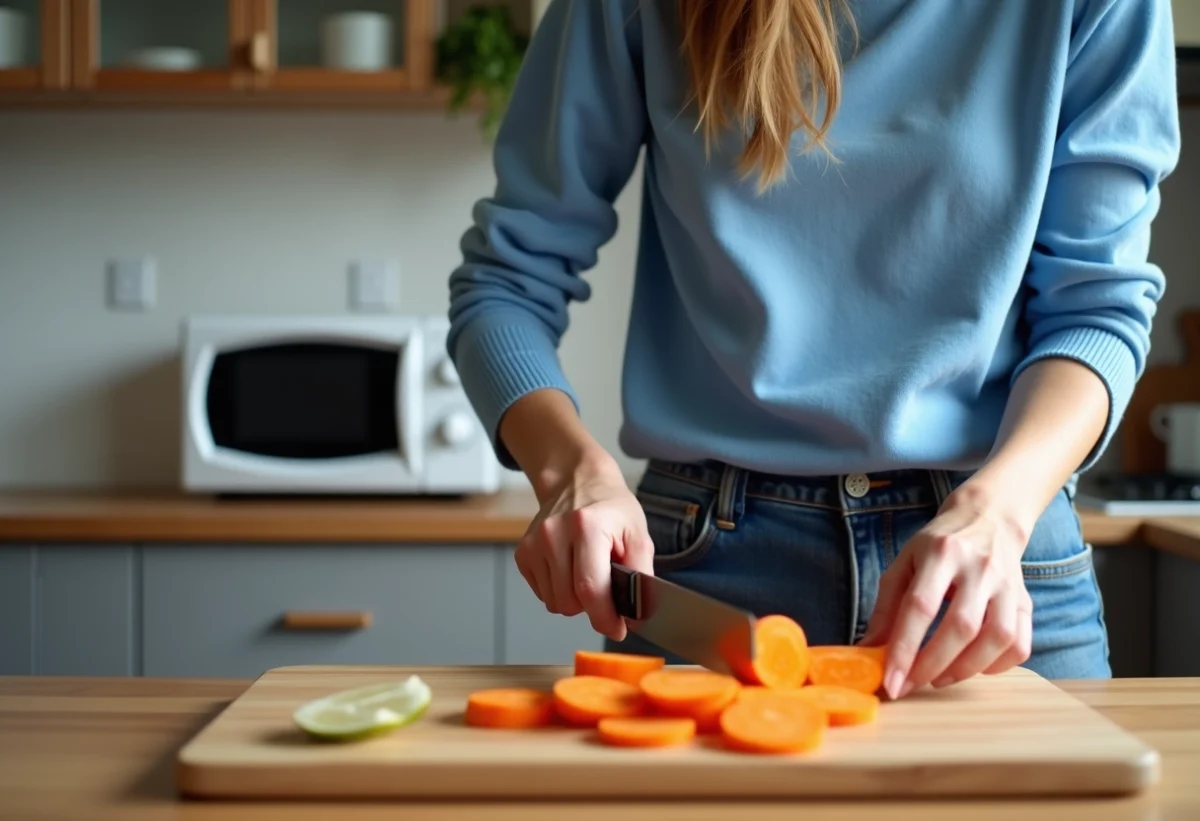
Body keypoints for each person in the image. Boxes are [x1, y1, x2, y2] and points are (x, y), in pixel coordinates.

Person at [445, 0, 1181, 699]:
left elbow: (1096, 309)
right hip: (709, 569)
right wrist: (573, 471)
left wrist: (1000, 511)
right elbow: (505, 284)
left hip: (993, 563)